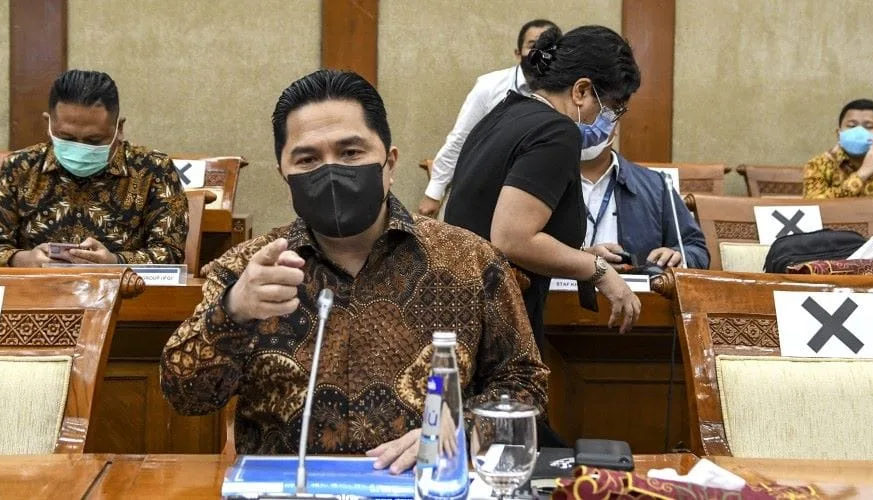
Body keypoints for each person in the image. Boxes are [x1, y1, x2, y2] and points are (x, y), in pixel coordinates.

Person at [160, 69, 549, 474]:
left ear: (389, 163)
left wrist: (460, 429)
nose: (331, 171)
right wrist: (233, 312)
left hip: (423, 483)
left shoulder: (469, 260)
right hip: (288, 488)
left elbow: (525, 384)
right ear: (284, 176)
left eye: (350, 153)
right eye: (307, 159)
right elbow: (185, 397)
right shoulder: (247, 270)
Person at [444, 26, 642, 345]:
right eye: (612, 107)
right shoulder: (557, 132)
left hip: (461, 311)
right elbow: (511, 238)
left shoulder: (506, 112)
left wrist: (578, 253)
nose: (611, 121)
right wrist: (598, 270)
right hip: (498, 327)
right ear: (581, 91)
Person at [0, 70, 188, 267]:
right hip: (35, 290)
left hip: (122, 292)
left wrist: (115, 262)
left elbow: (171, 253)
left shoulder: (153, 170)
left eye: (94, 140)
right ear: (49, 124)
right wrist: (23, 259)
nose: (81, 149)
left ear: (119, 128)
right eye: (67, 138)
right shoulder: (20, 167)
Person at [417, 19, 560, 217]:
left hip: (533, 202)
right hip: (477, 194)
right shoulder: (489, 86)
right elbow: (460, 139)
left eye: (548, 47)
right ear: (518, 53)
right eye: (532, 46)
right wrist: (434, 193)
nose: (540, 53)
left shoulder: (565, 94)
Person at [580, 138, 710, 270]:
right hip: (568, 282)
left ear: (615, 127)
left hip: (638, 283)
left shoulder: (657, 186)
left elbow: (696, 249)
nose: (588, 129)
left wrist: (678, 256)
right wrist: (582, 260)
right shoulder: (564, 180)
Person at [803, 99, 873, 199]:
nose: (859, 132)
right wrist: (862, 174)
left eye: (869, 127)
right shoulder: (818, 165)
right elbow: (813, 205)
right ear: (839, 134)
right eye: (852, 126)